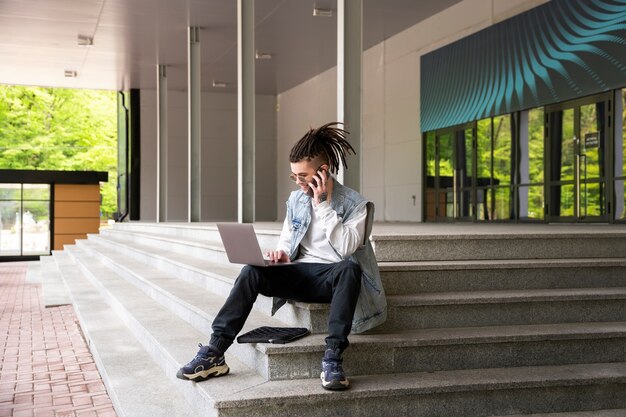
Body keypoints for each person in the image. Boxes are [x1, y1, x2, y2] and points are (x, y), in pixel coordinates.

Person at [176, 122, 387, 391]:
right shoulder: (296, 199)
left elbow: (346, 248)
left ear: (323, 172)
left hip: (333, 278)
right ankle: (215, 351)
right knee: (251, 271)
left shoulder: (356, 205)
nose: (298, 182)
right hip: (298, 274)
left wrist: (322, 205)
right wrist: (281, 254)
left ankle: (333, 356)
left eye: (302, 175)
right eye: (294, 176)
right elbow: (288, 239)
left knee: (349, 269)